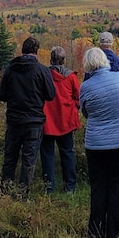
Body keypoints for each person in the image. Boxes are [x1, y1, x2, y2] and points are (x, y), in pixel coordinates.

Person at [80, 47, 119, 238]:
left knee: (98, 187)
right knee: (116, 187)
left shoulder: (86, 86)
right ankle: (113, 235)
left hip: (96, 143)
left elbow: (85, 112)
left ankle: (94, 234)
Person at [0, 36, 56, 199]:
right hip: (34, 121)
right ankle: (23, 194)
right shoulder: (42, 70)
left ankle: (4, 191)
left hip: (14, 119)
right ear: (36, 51)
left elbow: (1, 94)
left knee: (10, 157)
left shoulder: (10, 68)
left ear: (22, 50)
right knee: (28, 160)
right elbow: (51, 95)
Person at [40, 46, 80, 194]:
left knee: (47, 155)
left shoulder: (44, 75)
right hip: (66, 121)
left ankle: (49, 187)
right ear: (64, 60)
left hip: (47, 121)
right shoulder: (71, 77)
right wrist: (74, 107)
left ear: (51, 59)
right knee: (67, 153)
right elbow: (78, 97)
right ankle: (70, 186)